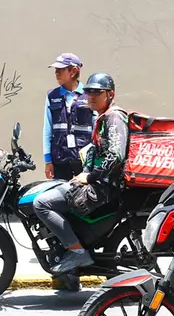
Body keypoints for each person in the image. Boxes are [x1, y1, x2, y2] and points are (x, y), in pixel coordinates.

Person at [34, 73, 127, 275]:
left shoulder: (114, 117)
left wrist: (89, 177)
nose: (91, 96)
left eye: (97, 92)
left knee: (41, 203)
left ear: (110, 94)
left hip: (102, 187)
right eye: (88, 91)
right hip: (95, 180)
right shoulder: (103, 117)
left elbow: (116, 156)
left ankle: (77, 252)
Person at [43, 53, 93, 181]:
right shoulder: (52, 96)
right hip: (60, 160)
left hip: (84, 161)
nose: (56, 73)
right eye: (55, 70)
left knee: (83, 197)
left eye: (60, 70)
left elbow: (96, 128)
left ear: (73, 71)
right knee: (59, 197)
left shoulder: (89, 95)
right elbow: (47, 130)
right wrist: (48, 161)